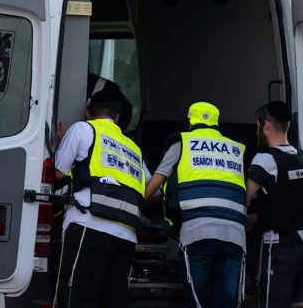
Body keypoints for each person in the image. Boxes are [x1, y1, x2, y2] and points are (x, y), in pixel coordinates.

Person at [144, 101, 247, 308]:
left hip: (196, 232)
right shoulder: (236, 149)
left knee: (197, 301)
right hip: (235, 235)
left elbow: (153, 185)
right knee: (227, 301)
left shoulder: (182, 143)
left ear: (190, 122)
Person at [53, 89, 148, 308]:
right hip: (126, 234)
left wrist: (61, 144)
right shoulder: (134, 148)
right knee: (112, 300)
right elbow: (149, 189)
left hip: (89, 224)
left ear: (88, 112)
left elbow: (58, 172)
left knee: (78, 296)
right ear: (117, 118)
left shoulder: (83, 128)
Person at [245, 101, 303, 308]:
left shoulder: (265, 159)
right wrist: (259, 216)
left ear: (266, 125)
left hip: (278, 247)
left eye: (257, 125)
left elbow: (246, 199)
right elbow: (289, 203)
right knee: (300, 304)